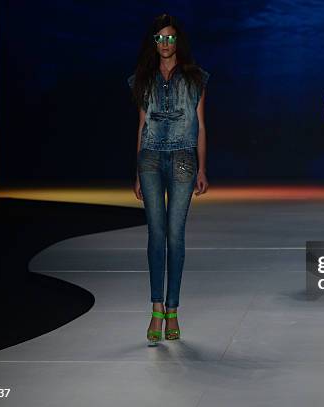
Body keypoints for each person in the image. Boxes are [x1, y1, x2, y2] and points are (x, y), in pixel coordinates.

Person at [128, 14, 209, 346]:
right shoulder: (142, 79)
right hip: (149, 158)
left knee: (175, 236)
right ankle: (156, 308)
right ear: (153, 42)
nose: (165, 43)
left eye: (170, 38)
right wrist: (136, 169)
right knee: (155, 235)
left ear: (178, 42)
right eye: (160, 38)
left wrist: (202, 168)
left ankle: (173, 309)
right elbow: (141, 125)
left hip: (183, 158)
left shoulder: (194, 78)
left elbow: (201, 124)